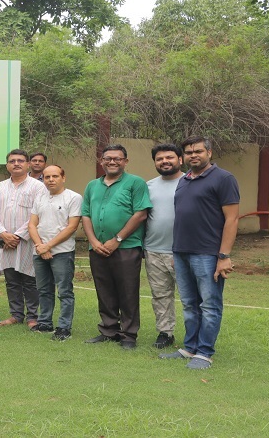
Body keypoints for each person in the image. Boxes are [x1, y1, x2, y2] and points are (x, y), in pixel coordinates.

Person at [160, 136, 239, 370]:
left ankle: (204, 354)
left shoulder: (224, 179)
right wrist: (176, 253)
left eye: (198, 151)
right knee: (189, 304)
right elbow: (181, 219)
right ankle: (189, 348)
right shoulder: (184, 180)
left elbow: (232, 219)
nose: (193, 155)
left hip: (208, 254)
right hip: (182, 252)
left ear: (209, 153)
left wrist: (223, 257)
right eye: (188, 152)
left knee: (209, 305)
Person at [82, 144, 151, 349]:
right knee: (104, 290)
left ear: (125, 161)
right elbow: (85, 214)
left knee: (128, 291)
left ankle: (128, 335)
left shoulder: (135, 183)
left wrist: (117, 239)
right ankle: (109, 330)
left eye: (117, 159)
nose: (112, 162)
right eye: (108, 158)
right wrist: (93, 242)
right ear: (101, 161)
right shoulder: (92, 185)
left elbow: (141, 213)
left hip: (126, 247)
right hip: (98, 248)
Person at [0, 150, 44, 329]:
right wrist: (3, 234)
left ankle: (33, 316)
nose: (16, 163)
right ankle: (16, 315)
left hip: (27, 240)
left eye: (21, 160)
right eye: (12, 161)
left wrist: (18, 235)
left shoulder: (37, 187)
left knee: (30, 279)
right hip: (4, 240)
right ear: (7, 165)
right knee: (11, 280)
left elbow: (38, 214)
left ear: (28, 164)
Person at [28, 165, 82, 341]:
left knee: (64, 291)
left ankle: (64, 327)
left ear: (63, 177)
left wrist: (48, 246)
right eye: (47, 177)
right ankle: (44, 322)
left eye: (55, 176)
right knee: (43, 290)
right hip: (40, 250)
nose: (50, 180)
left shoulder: (73, 198)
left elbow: (72, 226)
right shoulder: (40, 198)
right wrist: (39, 245)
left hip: (62, 252)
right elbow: (32, 224)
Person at [144, 143, 184, 349]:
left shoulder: (190, 182)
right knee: (160, 295)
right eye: (159, 159)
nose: (164, 161)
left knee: (190, 297)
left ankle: (195, 336)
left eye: (169, 157)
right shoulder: (147, 186)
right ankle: (165, 333)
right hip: (153, 250)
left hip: (184, 252)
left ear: (180, 159)